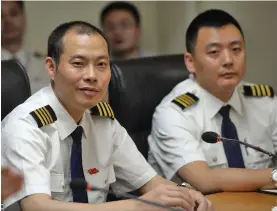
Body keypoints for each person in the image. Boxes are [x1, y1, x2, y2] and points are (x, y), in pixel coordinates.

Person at [1, 20, 213, 211]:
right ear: (51, 67)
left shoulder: (102, 120)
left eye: (101, 64)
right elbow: (36, 206)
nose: (92, 76)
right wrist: (139, 205)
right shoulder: (26, 126)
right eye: (78, 64)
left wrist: (186, 193)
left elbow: (149, 181)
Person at [148, 9, 277, 194]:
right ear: (190, 61)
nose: (228, 60)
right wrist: (274, 176)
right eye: (214, 52)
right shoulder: (172, 113)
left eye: (236, 50)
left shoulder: (264, 101)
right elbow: (205, 181)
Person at [1, 0, 49, 94]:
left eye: (14, 13)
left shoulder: (46, 65)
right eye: (0, 16)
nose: (8, 21)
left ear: (23, 17)